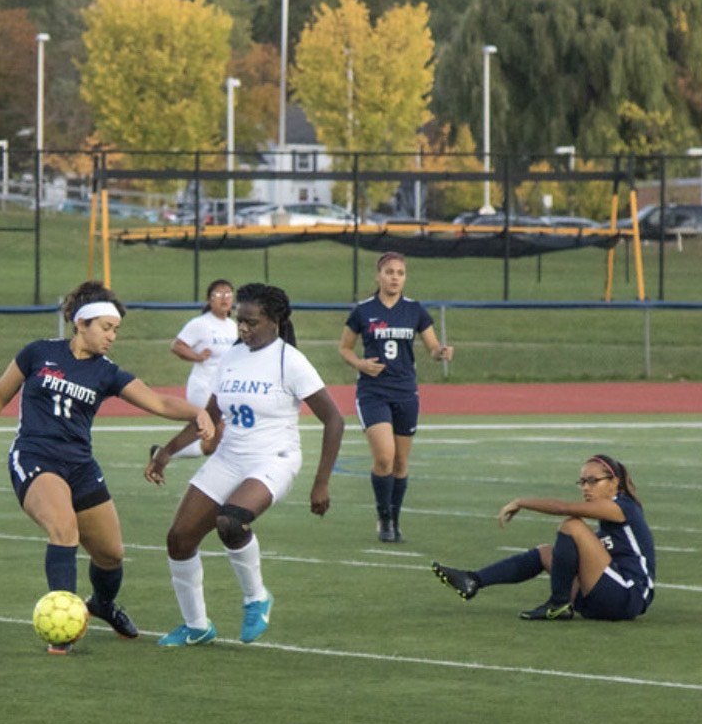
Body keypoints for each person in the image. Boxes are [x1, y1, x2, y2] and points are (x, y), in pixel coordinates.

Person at [0, 281, 216, 654]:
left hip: (79, 464)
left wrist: (197, 411)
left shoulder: (106, 372)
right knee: (64, 530)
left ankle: (102, 605)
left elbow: (157, 401)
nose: (112, 337)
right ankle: (60, 630)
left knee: (111, 555)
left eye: (116, 331)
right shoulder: (39, 352)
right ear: (82, 324)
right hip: (34, 457)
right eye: (106, 328)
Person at [145, 282, 344, 647]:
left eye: (251, 322)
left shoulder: (291, 361)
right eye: (240, 320)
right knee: (179, 539)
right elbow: (209, 416)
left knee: (231, 520)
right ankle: (197, 625)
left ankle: (256, 598)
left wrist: (321, 483)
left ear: (275, 321)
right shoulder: (233, 357)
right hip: (229, 456)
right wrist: (168, 451)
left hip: (274, 459)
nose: (243, 328)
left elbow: (334, 419)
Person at [432, 454, 655, 622]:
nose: (586, 488)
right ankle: (473, 580)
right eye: (582, 482)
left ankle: (558, 604)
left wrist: (521, 502)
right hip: (604, 601)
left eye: (593, 481)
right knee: (546, 553)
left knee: (572, 525)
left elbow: (564, 508)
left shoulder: (623, 507)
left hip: (627, 596)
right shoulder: (609, 519)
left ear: (614, 482)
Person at [338, 251, 453, 543]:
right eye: (389, 272)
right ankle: (384, 518)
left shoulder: (415, 310)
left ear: (405, 278)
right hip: (373, 392)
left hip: (405, 391)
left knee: (401, 463)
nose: (394, 278)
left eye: (400, 273)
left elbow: (431, 348)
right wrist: (361, 364)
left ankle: (396, 518)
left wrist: (441, 353)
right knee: (385, 458)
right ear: (378, 276)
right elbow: (345, 348)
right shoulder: (363, 311)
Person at [152, 278, 237, 461]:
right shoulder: (201, 324)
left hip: (224, 388)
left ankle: (163, 454)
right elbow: (177, 346)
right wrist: (197, 356)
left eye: (228, 294)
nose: (224, 298)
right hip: (203, 386)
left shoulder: (233, 326)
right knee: (216, 427)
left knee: (212, 442)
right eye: (218, 294)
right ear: (209, 300)